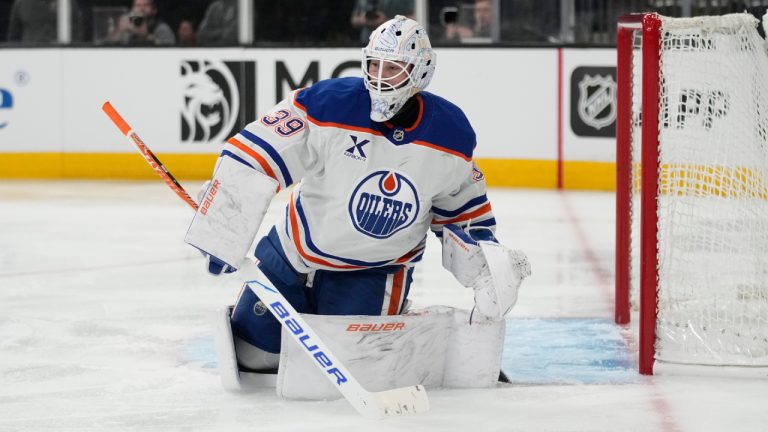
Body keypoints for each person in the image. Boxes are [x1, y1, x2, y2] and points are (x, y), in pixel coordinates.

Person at [185, 15, 530, 372]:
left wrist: (486, 272)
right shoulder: (329, 105)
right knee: (254, 356)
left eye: (393, 67)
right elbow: (260, 152)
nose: (380, 76)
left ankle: (401, 333)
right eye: (374, 64)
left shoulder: (450, 136)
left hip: (376, 273)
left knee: (350, 367)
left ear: (420, 72)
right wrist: (225, 214)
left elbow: (463, 215)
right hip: (293, 254)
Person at [7, 0, 83, 44]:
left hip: (60, 56)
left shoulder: (67, 3)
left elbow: (77, 32)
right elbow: (13, 37)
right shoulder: (21, 3)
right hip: (29, 56)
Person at [108, 0, 175, 45]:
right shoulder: (127, 27)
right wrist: (120, 30)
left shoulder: (161, 28)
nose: (141, 8)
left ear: (154, 10)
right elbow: (108, 45)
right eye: (138, 5)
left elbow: (170, 50)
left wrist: (146, 36)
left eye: (146, 5)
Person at [350, 0, 414, 43]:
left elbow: (419, 17)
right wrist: (364, 20)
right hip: (367, 41)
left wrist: (387, 21)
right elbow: (353, 20)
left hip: (396, 41)